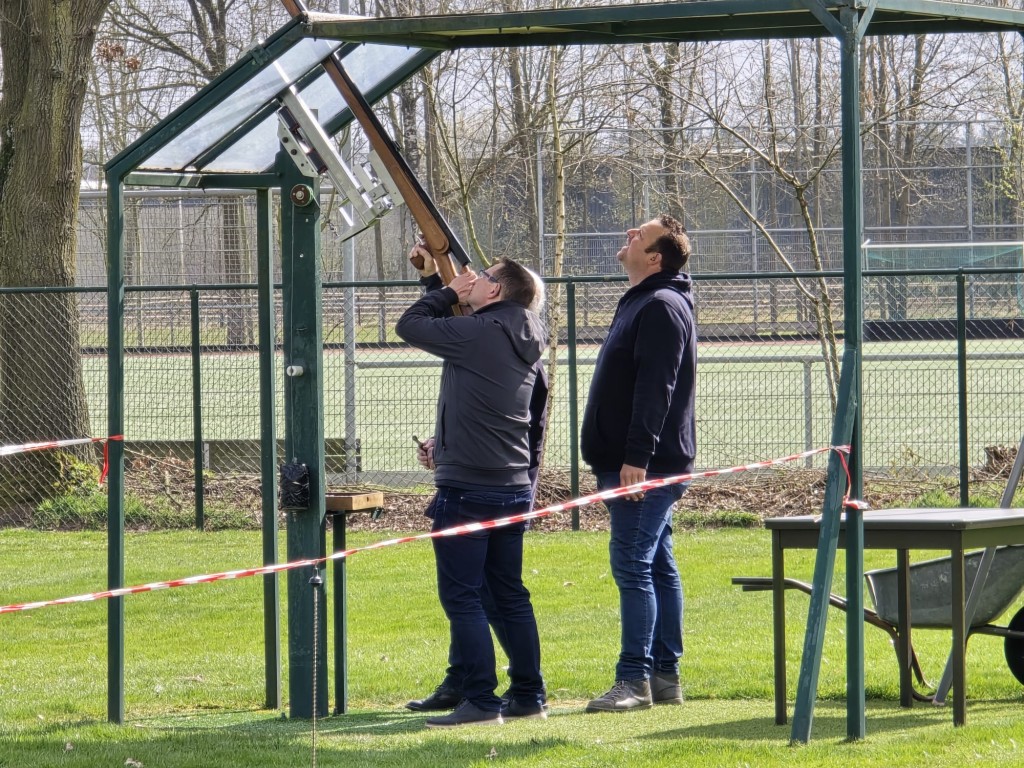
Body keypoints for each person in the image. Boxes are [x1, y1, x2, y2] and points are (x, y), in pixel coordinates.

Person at [396, 245, 549, 728]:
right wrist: (447, 442)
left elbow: (411, 326)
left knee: (462, 597)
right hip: (510, 482)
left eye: (481, 276)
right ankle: (528, 695)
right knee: (508, 594)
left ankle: (481, 701)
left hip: (469, 489)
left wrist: (442, 290)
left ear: (497, 290)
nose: (473, 279)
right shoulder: (525, 333)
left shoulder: (482, 332)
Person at [580, 214, 697, 713]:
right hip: (636, 464)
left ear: (655, 257)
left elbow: (657, 389)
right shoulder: (643, 301)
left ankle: (634, 680)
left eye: (639, 235)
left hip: (645, 468)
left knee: (632, 563)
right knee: (658, 565)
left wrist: (637, 459)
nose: (628, 234)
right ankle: (665, 677)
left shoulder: (662, 306)